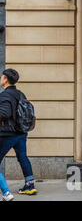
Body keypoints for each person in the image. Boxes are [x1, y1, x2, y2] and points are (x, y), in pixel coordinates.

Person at [0, 69, 36, 200]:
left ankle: (6, 192)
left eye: (2, 77)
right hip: (21, 133)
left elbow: (4, 113)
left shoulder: (4, 96)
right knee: (22, 157)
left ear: (5, 80)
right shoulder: (20, 94)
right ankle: (29, 184)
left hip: (7, 134)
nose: (0, 78)